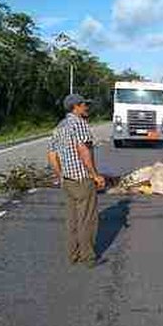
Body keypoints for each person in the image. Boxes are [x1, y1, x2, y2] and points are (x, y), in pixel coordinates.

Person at [47, 94, 106, 267]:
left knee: (72, 220)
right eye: (84, 105)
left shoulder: (59, 126)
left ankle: (73, 254)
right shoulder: (79, 123)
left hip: (67, 180)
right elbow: (84, 151)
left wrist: (60, 176)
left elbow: (51, 155)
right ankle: (87, 256)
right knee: (87, 218)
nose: (86, 108)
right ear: (76, 107)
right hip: (82, 179)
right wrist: (95, 175)